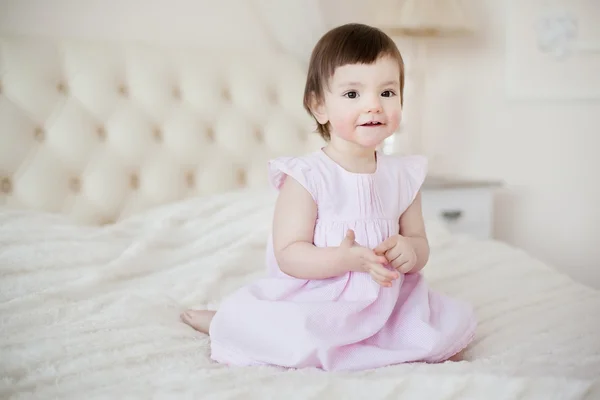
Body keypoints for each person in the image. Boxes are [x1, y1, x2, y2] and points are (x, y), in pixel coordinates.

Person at [181, 22, 476, 371]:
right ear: (319, 106)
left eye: (387, 92)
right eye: (353, 94)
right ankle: (224, 321)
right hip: (320, 298)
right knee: (292, 335)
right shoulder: (308, 177)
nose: (374, 106)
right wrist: (344, 260)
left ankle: (379, 340)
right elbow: (289, 254)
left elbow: (419, 242)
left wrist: (409, 251)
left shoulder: (403, 175)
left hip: (388, 301)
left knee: (439, 335)